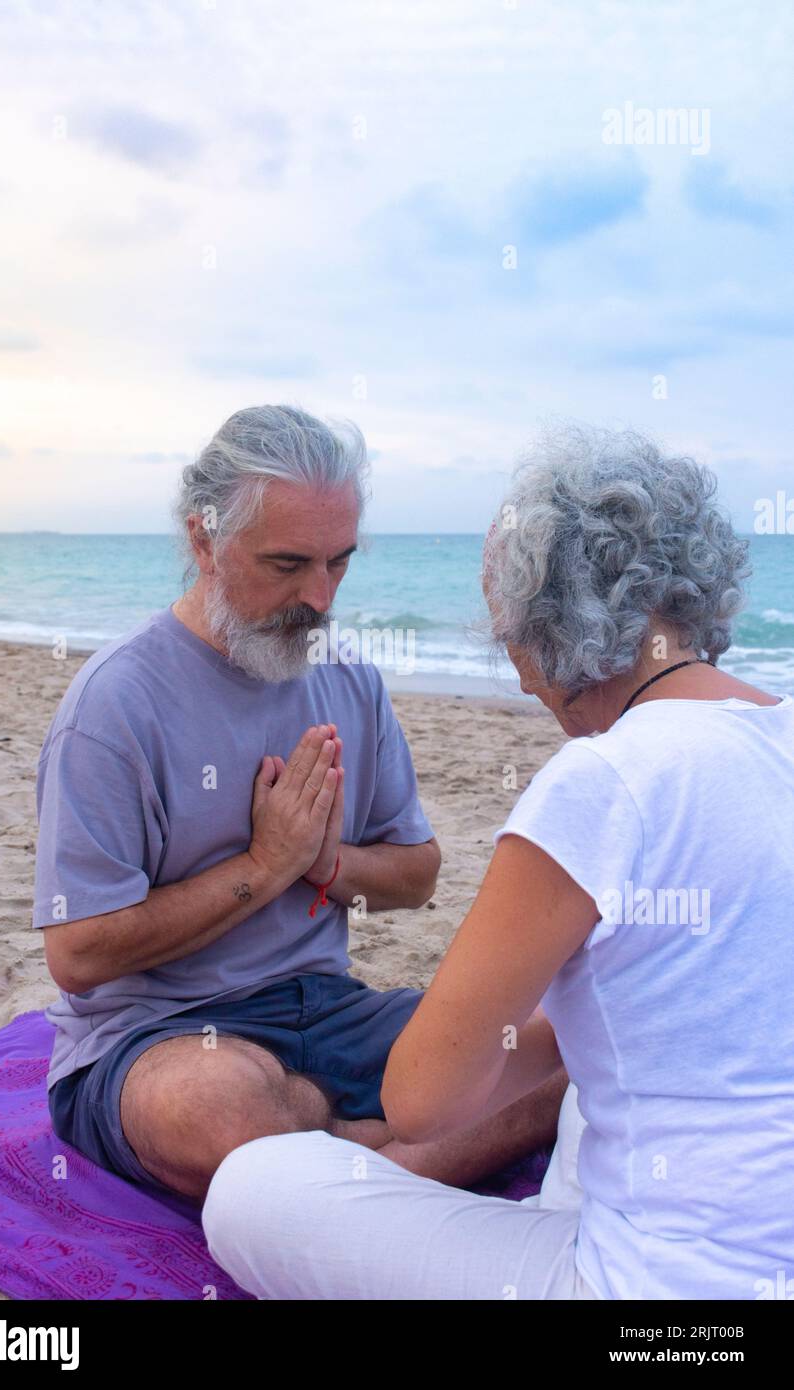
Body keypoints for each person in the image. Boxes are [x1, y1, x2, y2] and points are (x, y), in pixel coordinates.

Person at [202, 422, 794, 1300]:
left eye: (509, 633)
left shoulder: (603, 780)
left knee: (251, 1191)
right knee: (602, 1083)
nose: (517, 678)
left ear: (557, 626)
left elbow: (422, 1101)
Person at [36, 404, 568, 1203]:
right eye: (287, 565)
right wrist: (263, 867)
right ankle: (375, 1158)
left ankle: (335, 1174)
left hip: (331, 1013)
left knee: (568, 1054)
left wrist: (327, 865)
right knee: (222, 1111)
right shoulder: (114, 706)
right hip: (160, 1036)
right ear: (203, 540)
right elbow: (77, 954)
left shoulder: (349, 680)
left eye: (339, 563)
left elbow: (417, 875)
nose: (319, 598)